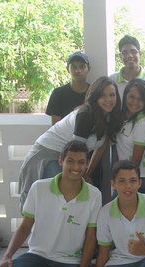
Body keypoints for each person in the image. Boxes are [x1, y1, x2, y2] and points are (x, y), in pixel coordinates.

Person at [0, 141, 102, 267]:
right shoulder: (39, 188)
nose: (76, 167)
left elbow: (91, 239)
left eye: (81, 162)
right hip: (38, 256)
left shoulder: (94, 195)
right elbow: (25, 227)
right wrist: (7, 256)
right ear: (60, 161)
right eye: (71, 161)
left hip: (69, 262)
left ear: (86, 163)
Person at [18, 76, 123, 209]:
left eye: (112, 95)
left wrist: (87, 173)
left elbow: (101, 147)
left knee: (67, 203)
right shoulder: (86, 114)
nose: (108, 100)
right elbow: (76, 151)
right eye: (102, 95)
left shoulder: (110, 116)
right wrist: (80, 175)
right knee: (49, 202)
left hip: (68, 157)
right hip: (47, 154)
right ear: (95, 97)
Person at [115, 79, 145, 196]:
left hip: (140, 176)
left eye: (140, 99)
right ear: (125, 95)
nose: (135, 102)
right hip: (129, 174)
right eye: (132, 97)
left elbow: (135, 161)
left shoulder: (142, 122)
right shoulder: (123, 117)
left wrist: (123, 179)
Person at [46, 52, 90, 125]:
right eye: (74, 67)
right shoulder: (58, 94)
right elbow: (55, 127)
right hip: (64, 135)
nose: (78, 71)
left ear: (88, 69)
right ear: (67, 69)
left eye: (82, 67)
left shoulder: (95, 92)